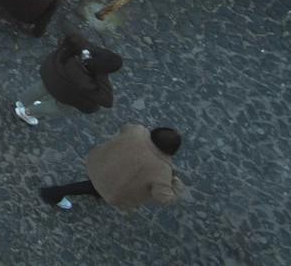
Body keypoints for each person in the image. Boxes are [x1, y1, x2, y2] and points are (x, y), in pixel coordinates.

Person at [39, 124, 184, 211]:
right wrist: (176, 183)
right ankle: (53, 193)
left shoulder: (138, 132)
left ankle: (91, 192)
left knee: (94, 185)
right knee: (92, 187)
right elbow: (164, 198)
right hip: (116, 185)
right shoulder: (163, 170)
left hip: (103, 161)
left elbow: (124, 128)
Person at [16, 32, 122, 126]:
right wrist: (101, 75)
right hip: (65, 91)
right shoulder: (88, 81)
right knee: (58, 107)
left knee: (41, 87)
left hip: (52, 74)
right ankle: (27, 112)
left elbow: (74, 37)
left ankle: (22, 101)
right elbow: (107, 101)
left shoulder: (79, 50)